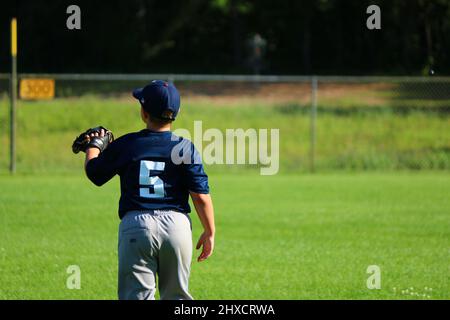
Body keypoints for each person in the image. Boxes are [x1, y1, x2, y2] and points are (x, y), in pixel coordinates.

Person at [81, 80, 215, 300]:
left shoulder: (128, 144)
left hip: (137, 226)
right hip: (177, 228)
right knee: (177, 298)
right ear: (176, 114)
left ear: (144, 113)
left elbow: (95, 174)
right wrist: (209, 231)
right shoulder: (185, 147)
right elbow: (200, 196)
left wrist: (93, 147)